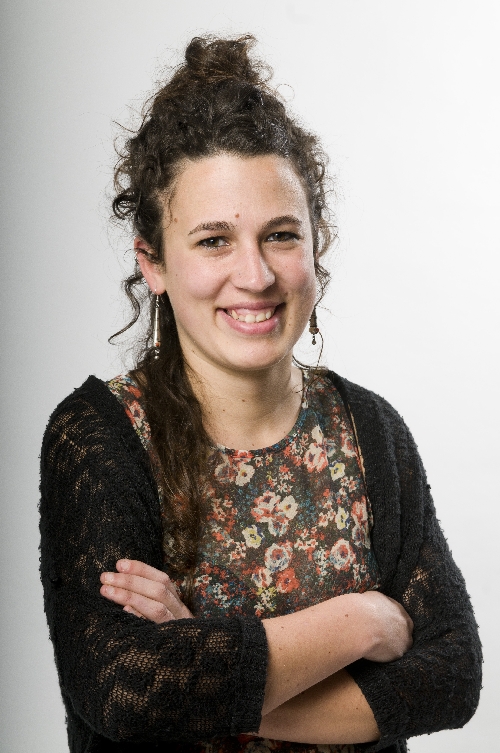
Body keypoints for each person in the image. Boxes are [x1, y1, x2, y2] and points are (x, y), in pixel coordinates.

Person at [39, 34, 481, 753]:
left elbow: (450, 676)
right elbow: (124, 689)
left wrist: (202, 654)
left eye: (280, 235)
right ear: (152, 262)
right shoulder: (98, 435)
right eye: (213, 240)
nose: (255, 275)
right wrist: (360, 622)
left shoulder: (371, 429)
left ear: (316, 243)